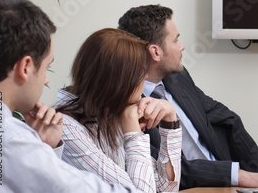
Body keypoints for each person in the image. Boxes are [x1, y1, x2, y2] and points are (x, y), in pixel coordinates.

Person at [0, 0, 138, 192]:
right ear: (25, 67)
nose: (46, 80)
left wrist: (46, 148)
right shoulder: (7, 135)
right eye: (46, 68)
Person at [118, 4, 258, 189]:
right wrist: (240, 176)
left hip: (229, 183)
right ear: (155, 52)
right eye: (175, 40)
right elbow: (167, 170)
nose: (182, 46)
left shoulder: (178, 77)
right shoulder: (126, 107)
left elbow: (225, 117)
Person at [55, 28, 182, 193]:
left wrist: (170, 119)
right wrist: (133, 134)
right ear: (118, 81)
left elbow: (167, 190)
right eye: (142, 74)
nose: (145, 80)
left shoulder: (113, 113)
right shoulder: (65, 128)